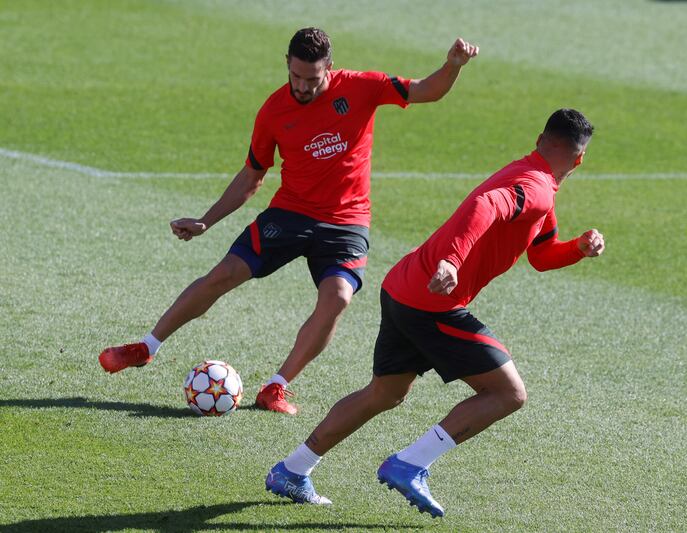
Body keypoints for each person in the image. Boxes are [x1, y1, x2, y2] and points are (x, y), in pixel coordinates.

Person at [98, 28, 479, 414]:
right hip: (290, 213)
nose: (301, 86)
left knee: (338, 298)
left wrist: (452, 66)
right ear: (287, 64)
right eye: (295, 76)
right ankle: (147, 346)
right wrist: (205, 221)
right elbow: (252, 176)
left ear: (329, 67)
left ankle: (276, 387)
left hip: (346, 222)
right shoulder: (273, 111)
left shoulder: (364, 86)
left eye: (311, 79)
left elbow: (427, 90)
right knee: (224, 274)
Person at [265, 108, 605, 517]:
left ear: (539, 139)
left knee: (385, 393)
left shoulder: (531, 177)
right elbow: (485, 205)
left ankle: (292, 469)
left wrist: (577, 249)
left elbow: (542, 254)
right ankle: (410, 463)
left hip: (403, 289)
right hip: (432, 302)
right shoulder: (536, 187)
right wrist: (453, 261)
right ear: (580, 159)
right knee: (508, 393)